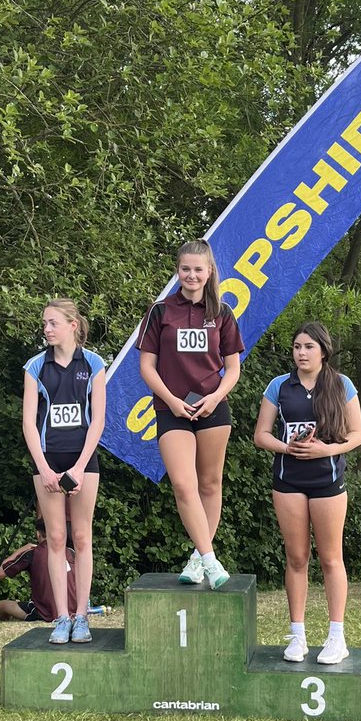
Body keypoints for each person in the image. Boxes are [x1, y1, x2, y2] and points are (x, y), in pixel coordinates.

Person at [253, 322, 361, 665]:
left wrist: (325, 450)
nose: (301, 353)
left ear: (323, 351)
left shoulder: (341, 385)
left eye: (308, 347)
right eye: (297, 346)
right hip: (288, 482)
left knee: (331, 558)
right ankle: (297, 636)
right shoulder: (278, 386)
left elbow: (357, 434)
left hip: (328, 483)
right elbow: (261, 435)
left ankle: (336, 636)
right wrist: (288, 447)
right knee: (297, 558)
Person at [137, 239, 244, 590]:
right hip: (171, 409)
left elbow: (232, 369)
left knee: (210, 484)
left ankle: (198, 560)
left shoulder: (223, 314)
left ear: (209, 271)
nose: (192, 275)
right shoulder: (160, 311)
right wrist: (170, 398)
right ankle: (211, 559)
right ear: (177, 270)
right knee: (184, 485)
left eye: (199, 269)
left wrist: (215, 397)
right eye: (186, 269)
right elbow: (147, 366)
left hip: (212, 407)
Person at [23, 299, 105, 643]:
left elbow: (98, 419)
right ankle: (60, 617)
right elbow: (28, 421)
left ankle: (82, 616)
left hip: (83, 460)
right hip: (48, 461)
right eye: (44, 324)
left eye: (53, 323)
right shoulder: (35, 366)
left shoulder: (94, 363)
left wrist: (80, 466)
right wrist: (44, 468)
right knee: (56, 539)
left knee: (82, 537)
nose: (46, 329)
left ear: (73, 325)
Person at [0, 519, 77, 623]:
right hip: (73, 611)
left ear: (38, 534)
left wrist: (24, 548)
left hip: (44, 612)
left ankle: (6, 622)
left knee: (1, 605)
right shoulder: (70, 552)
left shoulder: (33, 553)